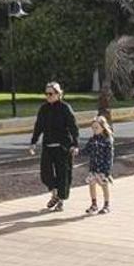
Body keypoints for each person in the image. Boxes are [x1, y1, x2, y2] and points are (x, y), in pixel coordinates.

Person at [28, 82, 80, 212]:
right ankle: (55, 193)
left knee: (63, 174)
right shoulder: (43, 109)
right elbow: (38, 126)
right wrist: (33, 142)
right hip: (48, 146)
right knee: (45, 173)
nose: (48, 96)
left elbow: (73, 127)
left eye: (50, 93)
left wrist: (75, 144)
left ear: (58, 94)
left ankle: (60, 200)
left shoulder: (65, 108)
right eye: (46, 94)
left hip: (63, 147)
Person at [80, 116, 115, 215]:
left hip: (103, 168)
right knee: (91, 184)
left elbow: (110, 156)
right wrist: (77, 152)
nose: (94, 130)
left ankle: (106, 205)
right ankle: (94, 204)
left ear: (103, 127)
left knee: (104, 186)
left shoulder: (107, 140)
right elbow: (86, 150)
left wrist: (107, 170)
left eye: (96, 127)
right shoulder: (92, 140)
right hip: (93, 167)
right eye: (93, 128)